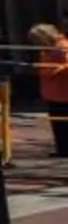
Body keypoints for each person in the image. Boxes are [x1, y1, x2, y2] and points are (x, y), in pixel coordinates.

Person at [31, 22, 68, 159]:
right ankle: (62, 148)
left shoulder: (62, 46)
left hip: (63, 91)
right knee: (57, 124)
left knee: (64, 121)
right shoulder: (46, 49)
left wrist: (53, 70)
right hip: (52, 92)